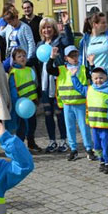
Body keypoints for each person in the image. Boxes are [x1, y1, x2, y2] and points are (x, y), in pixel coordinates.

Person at [46, 45, 93, 160]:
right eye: (71, 56)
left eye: (76, 55)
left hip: (81, 104)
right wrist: (51, 58)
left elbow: (93, 74)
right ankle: (73, 149)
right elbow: (49, 69)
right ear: (66, 58)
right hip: (67, 105)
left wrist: (91, 64)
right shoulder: (61, 69)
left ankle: (89, 149)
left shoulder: (83, 69)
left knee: (84, 127)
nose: (74, 58)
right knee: (70, 127)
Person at [36, 17, 71, 152]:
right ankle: (52, 141)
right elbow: (35, 60)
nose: (46, 30)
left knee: (59, 113)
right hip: (44, 83)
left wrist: (66, 25)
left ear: (54, 28)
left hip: (57, 82)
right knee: (48, 114)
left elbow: (69, 41)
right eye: (44, 28)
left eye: (49, 27)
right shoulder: (40, 45)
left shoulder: (60, 40)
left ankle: (63, 140)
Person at [72, 66, 108, 173]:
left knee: (106, 145)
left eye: (101, 78)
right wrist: (73, 76)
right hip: (94, 124)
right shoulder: (89, 89)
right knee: (97, 146)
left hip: (106, 125)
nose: (98, 80)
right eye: (95, 78)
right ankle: (101, 161)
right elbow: (79, 87)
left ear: (106, 78)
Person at [8, 48, 40, 151]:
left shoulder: (29, 70)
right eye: (19, 56)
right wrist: (16, 103)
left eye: (24, 56)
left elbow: (34, 84)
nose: (22, 58)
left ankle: (31, 143)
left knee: (32, 125)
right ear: (14, 60)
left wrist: (36, 99)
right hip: (21, 106)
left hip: (31, 103)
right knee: (21, 127)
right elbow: (13, 90)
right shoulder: (13, 73)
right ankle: (19, 147)